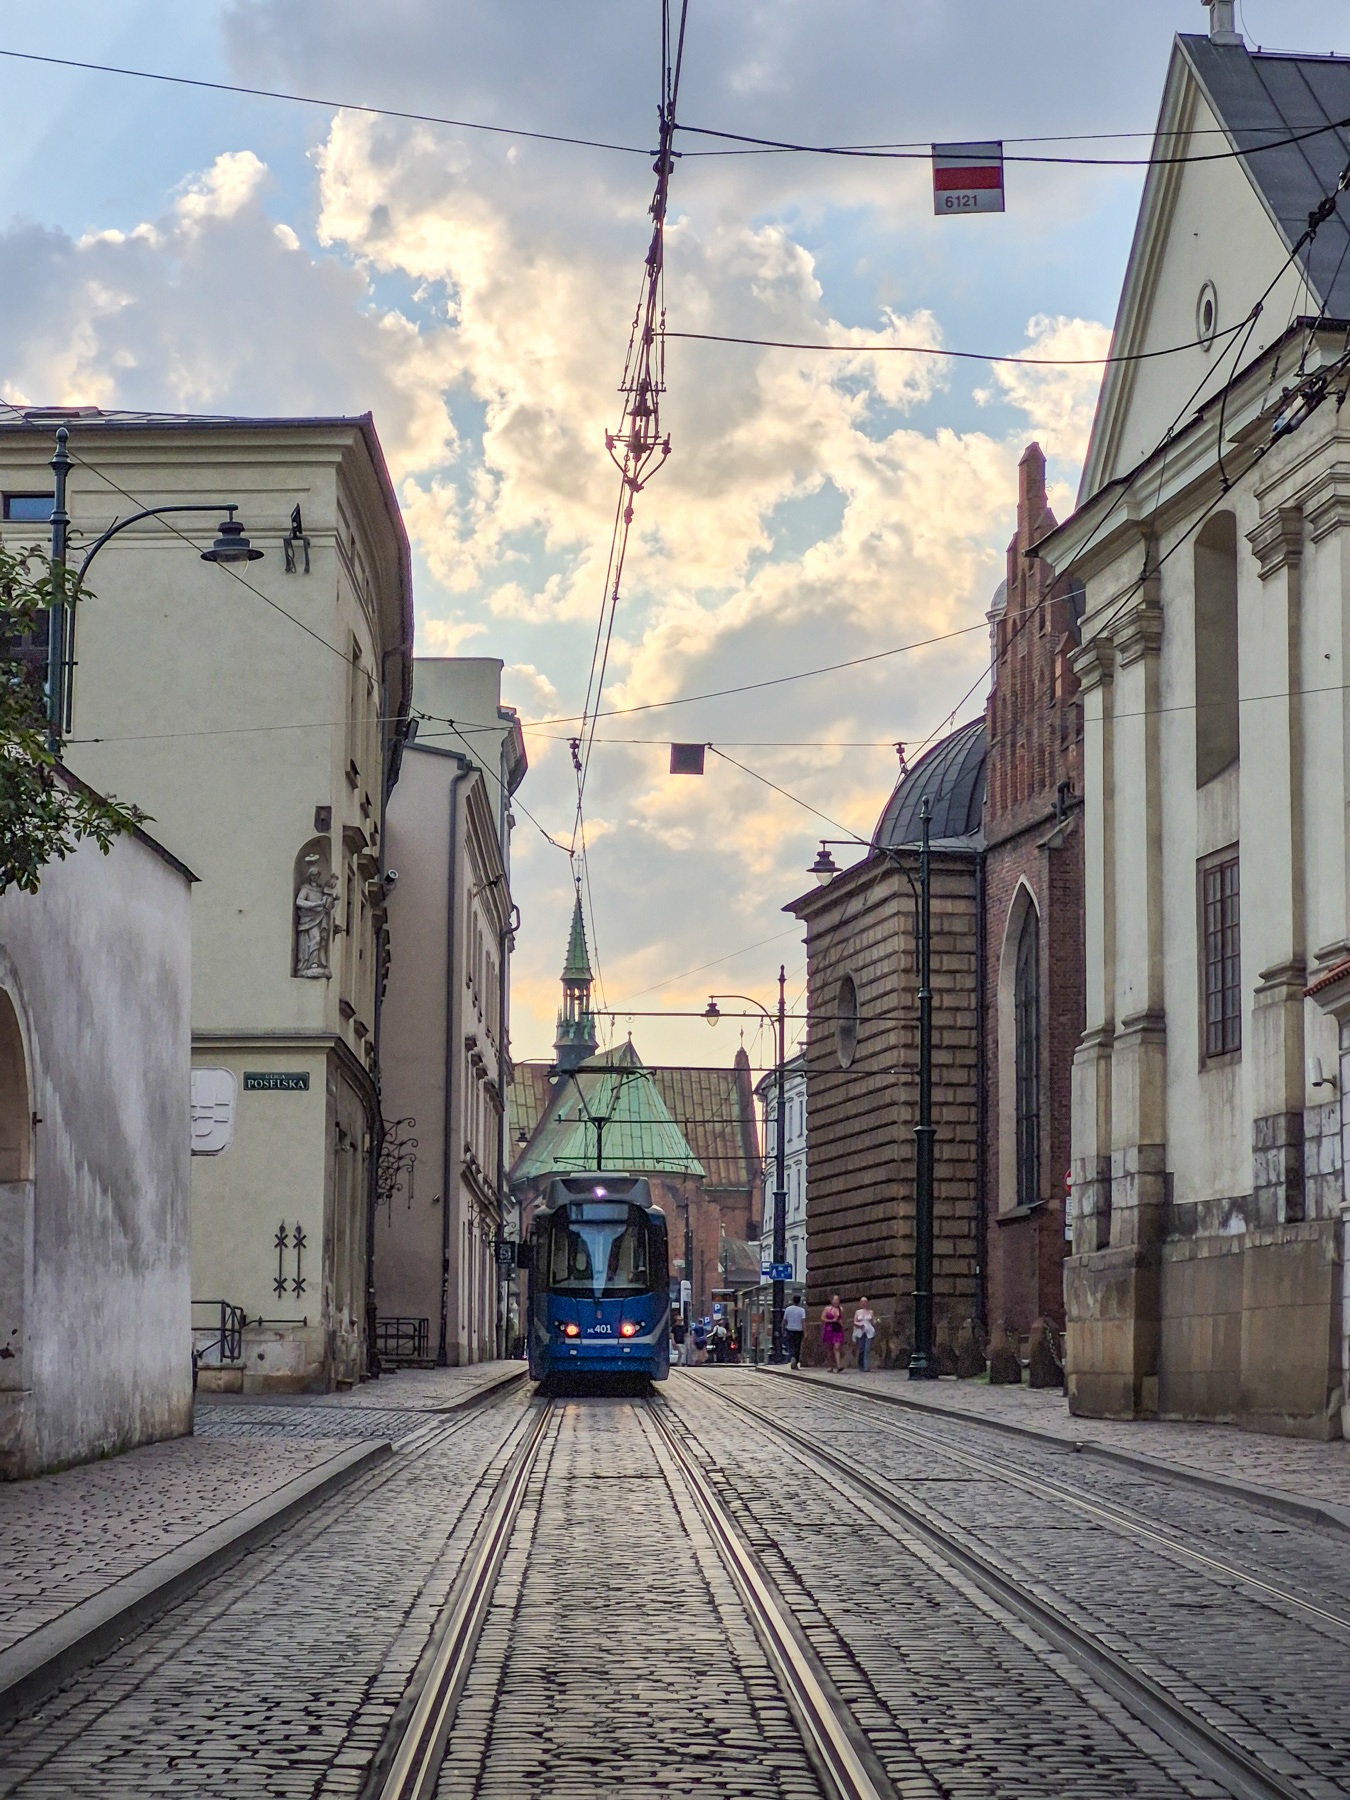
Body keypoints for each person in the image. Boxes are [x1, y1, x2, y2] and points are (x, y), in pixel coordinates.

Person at [821, 1294, 844, 1371]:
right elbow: (822, 1318)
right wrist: (831, 1320)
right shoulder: (827, 1309)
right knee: (829, 1348)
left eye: (837, 1300)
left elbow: (842, 1319)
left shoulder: (841, 1309)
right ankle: (831, 1365)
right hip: (829, 1329)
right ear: (832, 1301)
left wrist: (841, 1323)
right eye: (835, 1299)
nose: (836, 1301)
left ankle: (838, 1365)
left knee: (836, 1347)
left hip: (837, 1329)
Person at [783, 1293, 807, 1369]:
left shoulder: (788, 1309)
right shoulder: (802, 1310)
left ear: (793, 1300)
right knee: (797, 1346)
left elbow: (784, 1321)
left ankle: (792, 1356)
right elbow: (803, 1321)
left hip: (789, 1330)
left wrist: (783, 1329)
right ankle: (795, 1360)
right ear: (799, 1301)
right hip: (799, 1330)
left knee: (791, 1345)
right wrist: (805, 1332)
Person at [853, 1297, 876, 1371]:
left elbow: (873, 1321)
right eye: (862, 1301)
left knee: (867, 1349)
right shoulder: (858, 1312)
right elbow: (855, 1322)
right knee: (861, 1349)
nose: (863, 1303)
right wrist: (858, 1325)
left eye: (865, 1301)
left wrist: (876, 1322)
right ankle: (861, 1365)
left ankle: (866, 1366)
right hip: (860, 1332)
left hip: (868, 1332)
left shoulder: (871, 1312)